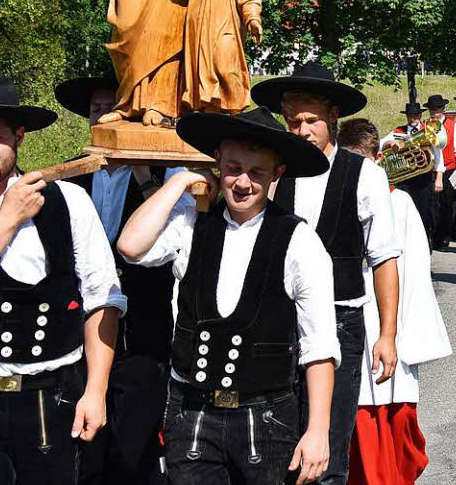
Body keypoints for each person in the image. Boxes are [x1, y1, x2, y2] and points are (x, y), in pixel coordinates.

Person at [117, 107, 338, 484]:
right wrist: (180, 182)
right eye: (233, 168)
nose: (242, 183)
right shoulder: (190, 224)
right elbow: (130, 246)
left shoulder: (298, 240)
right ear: (217, 162)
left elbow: (318, 344)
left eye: (257, 173)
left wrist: (317, 431)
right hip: (192, 415)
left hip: (267, 419)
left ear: (276, 176)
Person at [0, 68, 125, 484]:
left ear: (19, 136)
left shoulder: (70, 201)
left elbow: (102, 298)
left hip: (53, 399)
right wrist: (9, 216)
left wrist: (96, 390)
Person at [251, 61, 401, 485]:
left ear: (333, 116)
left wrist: (386, 335)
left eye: (310, 120)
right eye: (292, 121)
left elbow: (384, 258)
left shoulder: (364, 175)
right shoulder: (276, 174)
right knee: (277, 444)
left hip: (340, 323)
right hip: (279, 323)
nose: (300, 131)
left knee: (330, 449)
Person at [54, 71, 173, 485]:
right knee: (86, 443)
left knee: (134, 442)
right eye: (96, 110)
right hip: (81, 330)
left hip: (142, 332)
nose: (104, 118)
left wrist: (142, 169)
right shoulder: (72, 177)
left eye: (113, 109)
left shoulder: (159, 177)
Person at [337, 120, 452, 485]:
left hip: (389, 321)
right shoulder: (333, 199)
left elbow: (416, 271)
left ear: (377, 158)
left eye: (363, 160)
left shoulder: (398, 201)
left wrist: (404, 338)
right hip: (348, 320)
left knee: (394, 419)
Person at [382, 103, 444, 248]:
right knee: (402, 212)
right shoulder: (398, 131)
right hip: (404, 178)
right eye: (410, 115)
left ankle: (424, 245)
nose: (413, 118)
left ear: (420, 115)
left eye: (415, 115)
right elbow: (380, 144)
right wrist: (391, 143)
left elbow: (438, 154)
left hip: (423, 178)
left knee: (424, 213)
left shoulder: (427, 130)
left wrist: (439, 177)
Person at [425, 95, 456, 250]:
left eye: (437, 109)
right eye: (432, 109)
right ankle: (433, 235)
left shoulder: (453, 126)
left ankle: (443, 235)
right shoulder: (425, 125)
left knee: (448, 205)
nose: (435, 112)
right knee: (432, 205)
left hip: (450, 169)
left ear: (443, 110)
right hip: (430, 170)